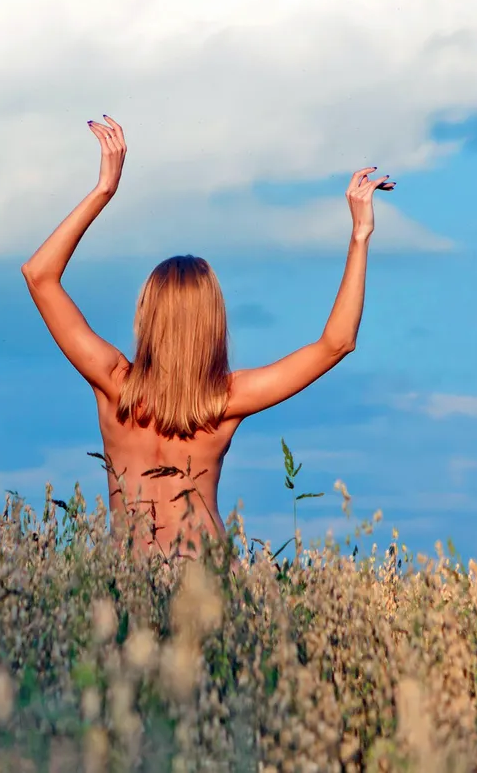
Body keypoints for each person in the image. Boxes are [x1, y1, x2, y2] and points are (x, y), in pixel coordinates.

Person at [21, 115, 395, 564]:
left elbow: (39, 275)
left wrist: (104, 189)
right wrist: (360, 235)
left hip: (127, 582)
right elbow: (337, 343)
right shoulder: (225, 401)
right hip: (207, 584)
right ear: (213, 323)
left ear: (147, 315)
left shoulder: (113, 384)